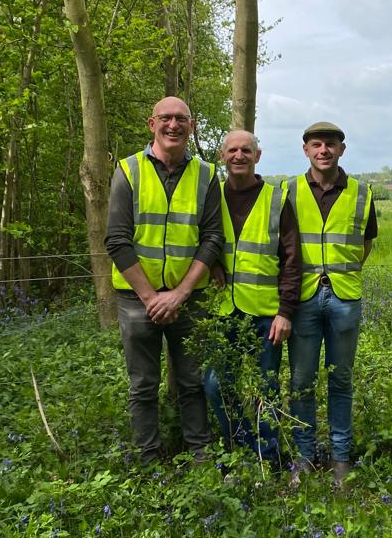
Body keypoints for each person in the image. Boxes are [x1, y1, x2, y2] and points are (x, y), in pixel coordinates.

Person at [105, 97, 223, 466]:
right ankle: (148, 460)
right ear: (151, 123)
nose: (173, 125)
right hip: (136, 299)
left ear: (192, 126)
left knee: (192, 381)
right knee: (143, 385)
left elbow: (213, 238)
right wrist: (152, 297)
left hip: (190, 298)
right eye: (166, 118)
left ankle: (200, 455)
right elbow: (117, 240)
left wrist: (179, 294)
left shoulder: (206, 174)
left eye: (181, 119)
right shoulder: (128, 170)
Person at [287, 121, 377, 486]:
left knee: (341, 381)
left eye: (331, 145)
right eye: (317, 144)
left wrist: (340, 274)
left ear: (342, 150)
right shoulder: (288, 191)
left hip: (343, 297)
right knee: (300, 381)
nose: (324, 150)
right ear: (306, 150)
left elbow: (365, 245)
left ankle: (341, 460)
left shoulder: (361, 193)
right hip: (303, 297)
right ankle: (304, 458)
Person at [204, 130, 301, 465]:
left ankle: (268, 458)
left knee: (267, 390)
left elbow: (292, 260)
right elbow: (197, 241)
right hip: (223, 311)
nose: (239, 156)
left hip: (266, 314)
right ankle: (243, 449)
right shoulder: (210, 195)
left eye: (247, 150)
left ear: (258, 156)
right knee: (217, 386)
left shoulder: (276, 199)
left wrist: (286, 311)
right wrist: (213, 263)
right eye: (232, 150)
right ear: (222, 156)